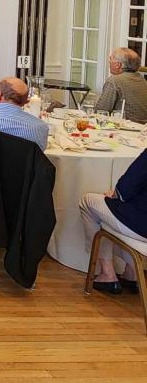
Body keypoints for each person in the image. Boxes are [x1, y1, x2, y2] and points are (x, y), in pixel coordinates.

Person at [80, 148, 147, 294]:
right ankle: (132, 272)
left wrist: (117, 194)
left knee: (87, 202)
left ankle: (107, 274)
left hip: (141, 225)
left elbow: (126, 187)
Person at [96, 48, 147, 123]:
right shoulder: (143, 80)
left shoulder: (114, 81)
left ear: (118, 65)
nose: (109, 61)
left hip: (124, 129)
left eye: (111, 58)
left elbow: (100, 112)